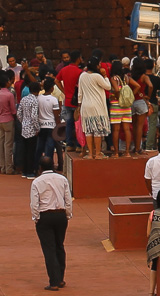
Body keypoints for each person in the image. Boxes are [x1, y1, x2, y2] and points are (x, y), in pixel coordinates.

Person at [31, 153, 74, 290]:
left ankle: (54, 281)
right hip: (61, 215)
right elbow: (68, 199)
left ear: (40, 168)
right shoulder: (62, 179)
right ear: (53, 166)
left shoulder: (37, 182)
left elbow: (34, 203)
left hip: (45, 216)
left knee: (49, 249)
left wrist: (36, 218)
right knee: (59, 246)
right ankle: (60, 278)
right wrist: (67, 214)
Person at [76, 60, 111, 159]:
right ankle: (98, 153)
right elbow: (108, 87)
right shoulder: (97, 76)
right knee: (97, 130)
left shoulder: (82, 76)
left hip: (85, 106)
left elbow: (80, 93)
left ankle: (90, 154)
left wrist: (79, 106)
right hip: (97, 106)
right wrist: (105, 76)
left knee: (88, 130)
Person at [0, 72, 18, 176]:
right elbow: (13, 110)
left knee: (1, 144)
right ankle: (9, 168)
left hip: (0, 120)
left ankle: (3, 167)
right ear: (7, 83)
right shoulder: (9, 94)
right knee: (8, 145)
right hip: (8, 120)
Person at [110, 67, 134, 157]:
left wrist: (117, 97)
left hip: (116, 106)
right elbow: (137, 86)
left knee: (116, 129)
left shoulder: (114, 78)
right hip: (126, 106)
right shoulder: (126, 78)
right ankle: (127, 152)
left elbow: (116, 89)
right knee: (127, 129)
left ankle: (116, 152)